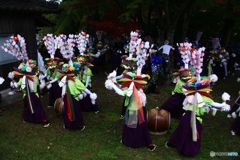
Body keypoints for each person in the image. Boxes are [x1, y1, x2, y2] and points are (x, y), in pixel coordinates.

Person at [12, 61, 50, 127]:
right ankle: (31, 119)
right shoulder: (34, 77)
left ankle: (41, 120)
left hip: (31, 95)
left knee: (34, 108)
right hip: (30, 95)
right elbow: (40, 86)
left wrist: (13, 83)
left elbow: (18, 86)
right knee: (31, 107)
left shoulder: (29, 78)